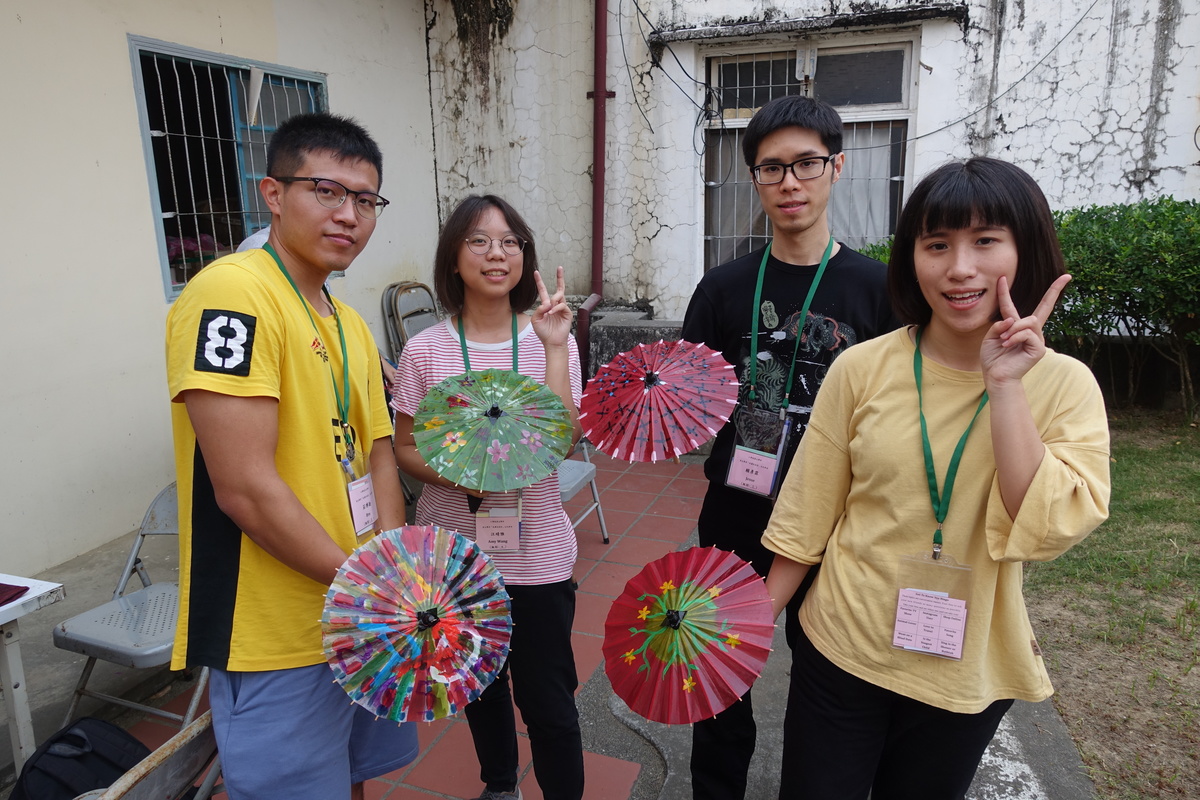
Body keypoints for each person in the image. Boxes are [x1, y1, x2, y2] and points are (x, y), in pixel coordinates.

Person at [762, 157, 1112, 799]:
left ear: (1023, 248)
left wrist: (1005, 387)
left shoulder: (1063, 385)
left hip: (963, 668)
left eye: (985, 241)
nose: (959, 268)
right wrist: (751, 624)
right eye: (937, 244)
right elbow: (808, 510)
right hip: (842, 643)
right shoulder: (862, 368)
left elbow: (1052, 523)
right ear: (911, 258)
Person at [165, 112, 416, 800]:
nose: (350, 216)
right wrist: (368, 586)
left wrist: (388, 566)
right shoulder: (233, 293)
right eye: (327, 192)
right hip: (277, 631)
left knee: (353, 775)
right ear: (274, 195)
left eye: (366, 200)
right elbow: (244, 488)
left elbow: (378, 451)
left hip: (362, 611)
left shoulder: (349, 320)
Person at [680, 95, 897, 799]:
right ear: (755, 180)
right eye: (771, 168)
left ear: (836, 167)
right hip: (737, 511)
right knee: (716, 673)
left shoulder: (881, 290)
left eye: (806, 163)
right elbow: (690, 399)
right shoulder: (722, 288)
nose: (790, 182)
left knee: (827, 685)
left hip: (840, 524)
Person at [391, 195, 585, 800]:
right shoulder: (426, 350)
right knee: (476, 684)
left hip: (538, 554)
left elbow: (563, 440)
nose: (496, 253)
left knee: (548, 700)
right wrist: (467, 478)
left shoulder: (550, 337)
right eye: (478, 241)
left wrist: (555, 346)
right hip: (456, 558)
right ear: (453, 258)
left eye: (509, 241)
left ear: (524, 255)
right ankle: (500, 786)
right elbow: (405, 450)